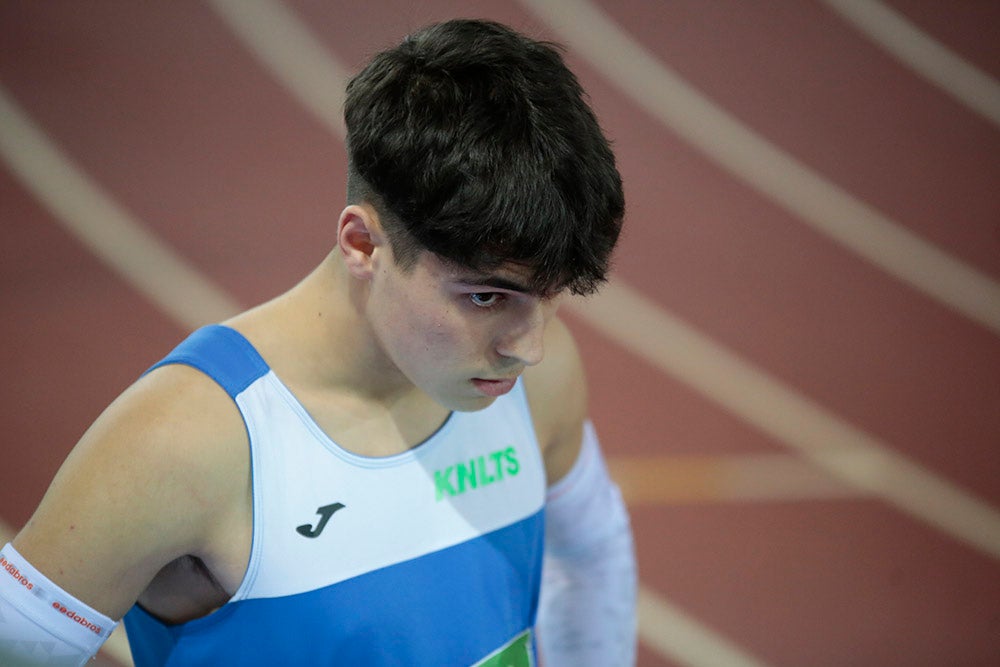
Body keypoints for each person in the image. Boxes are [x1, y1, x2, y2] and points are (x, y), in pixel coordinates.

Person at [0, 18, 636, 666]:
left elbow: (592, 556)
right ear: (363, 244)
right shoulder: (185, 442)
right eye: (486, 297)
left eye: (552, 294)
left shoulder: (540, 382)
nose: (528, 347)